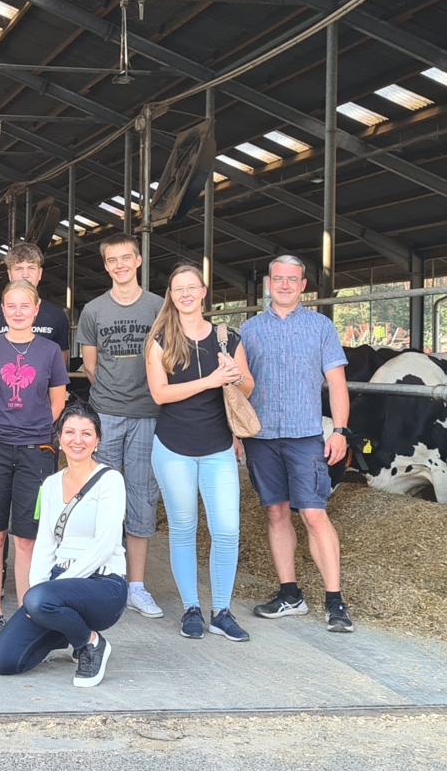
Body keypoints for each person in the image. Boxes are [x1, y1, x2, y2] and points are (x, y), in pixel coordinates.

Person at [240, 254, 355, 632]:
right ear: (268, 284)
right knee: (275, 512)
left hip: (306, 436)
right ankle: (290, 594)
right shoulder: (250, 329)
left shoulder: (321, 327)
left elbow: (337, 383)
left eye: (293, 279)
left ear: (304, 285)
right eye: (278, 278)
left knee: (313, 513)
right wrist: (238, 434)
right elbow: (237, 388)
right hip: (262, 435)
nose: (285, 285)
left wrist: (339, 430)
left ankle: (335, 601)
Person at [145, 262, 255, 643]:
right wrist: (209, 380)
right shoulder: (160, 339)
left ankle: (221, 611)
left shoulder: (227, 339)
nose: (186, 294)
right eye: (179, 289)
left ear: (204, 292)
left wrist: (234, 375)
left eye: (192, 287)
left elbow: (248, 388)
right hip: (173, 446)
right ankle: (191, 607)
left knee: (226, 529)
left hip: (218, 446)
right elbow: (160, 394)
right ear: (171, 296)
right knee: (184, 528)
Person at [0, 400, 126, 687]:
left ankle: (91, 642)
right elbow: (45, 543)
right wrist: (37, 591)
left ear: (97, 440)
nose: (78, 440)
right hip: (57, 587)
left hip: (103, 584)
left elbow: (103, 545)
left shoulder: (110, 481)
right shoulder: (50, 484)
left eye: (86, 433)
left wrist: (49, 591)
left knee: (40, 599)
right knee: (4, 661)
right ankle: (68, 631)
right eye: (70, 432)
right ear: (60, 439)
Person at [0, 280, 69, 643]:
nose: (17, 312)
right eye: (11, 305)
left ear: (37, 308)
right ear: (2, 309)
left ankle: (27, 611)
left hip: (37, 450)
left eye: (24, 305)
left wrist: (38, 430)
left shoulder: (50, 351)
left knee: (27, 537)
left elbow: (58, 400)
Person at [74, 233, 167, 619]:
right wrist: (113, 396)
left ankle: (137, 586)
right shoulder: (94, 310)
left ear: (139, 260)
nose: (120, 265)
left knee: (142, 496)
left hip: (150, 413)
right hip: (106, 414)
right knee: (101, 495)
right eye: (112, 260)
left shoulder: (160, 308)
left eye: (126, 258)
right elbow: (91, 366)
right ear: (106, 265)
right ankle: (102, 577)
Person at [0, 241, 72, 360]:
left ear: (40, 273)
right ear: (9, 274)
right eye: (18, 268)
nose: (25, 275)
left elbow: (60, 361)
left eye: (31, 268)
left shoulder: (57, 316)